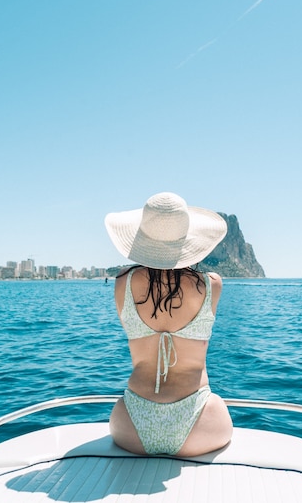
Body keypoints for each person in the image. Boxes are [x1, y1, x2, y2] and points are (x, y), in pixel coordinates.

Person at [104, 191, 233, 457]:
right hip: (202, 426)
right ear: (189, 240)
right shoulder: (212, 285)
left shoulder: (122, 284)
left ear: (141, 239)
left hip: (131, 426)